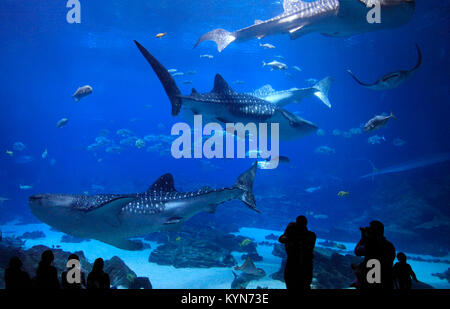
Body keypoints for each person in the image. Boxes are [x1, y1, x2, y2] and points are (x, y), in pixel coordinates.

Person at [354, 220, 396, 289]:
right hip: (386, 283)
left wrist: (363, 238)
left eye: (370, 231)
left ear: (373, 233)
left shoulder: (371, 246)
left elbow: (357, 251)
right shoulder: (390, 245)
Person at [279, 215, 316, 292]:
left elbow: (281, 239)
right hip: (307, 267)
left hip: (293, 266)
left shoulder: (291, 237)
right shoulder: (312, 235)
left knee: (291, 285)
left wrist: (289, 229)